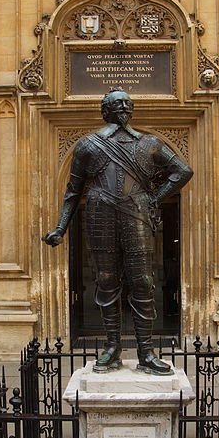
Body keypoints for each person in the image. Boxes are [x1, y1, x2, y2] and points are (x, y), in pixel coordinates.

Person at [44, 88, 193, 375]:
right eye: (116, 103)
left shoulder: (150, 143)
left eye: (127, 103)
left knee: (142, 280)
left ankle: (146, 352)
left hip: (136, 214)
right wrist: (61, 227)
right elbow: (73, 191)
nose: (123, 107)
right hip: (100, 214)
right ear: (105, 110)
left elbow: (183, 171)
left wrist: (154, 198)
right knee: (106, 280)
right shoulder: (88, 145)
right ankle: (111, 347)